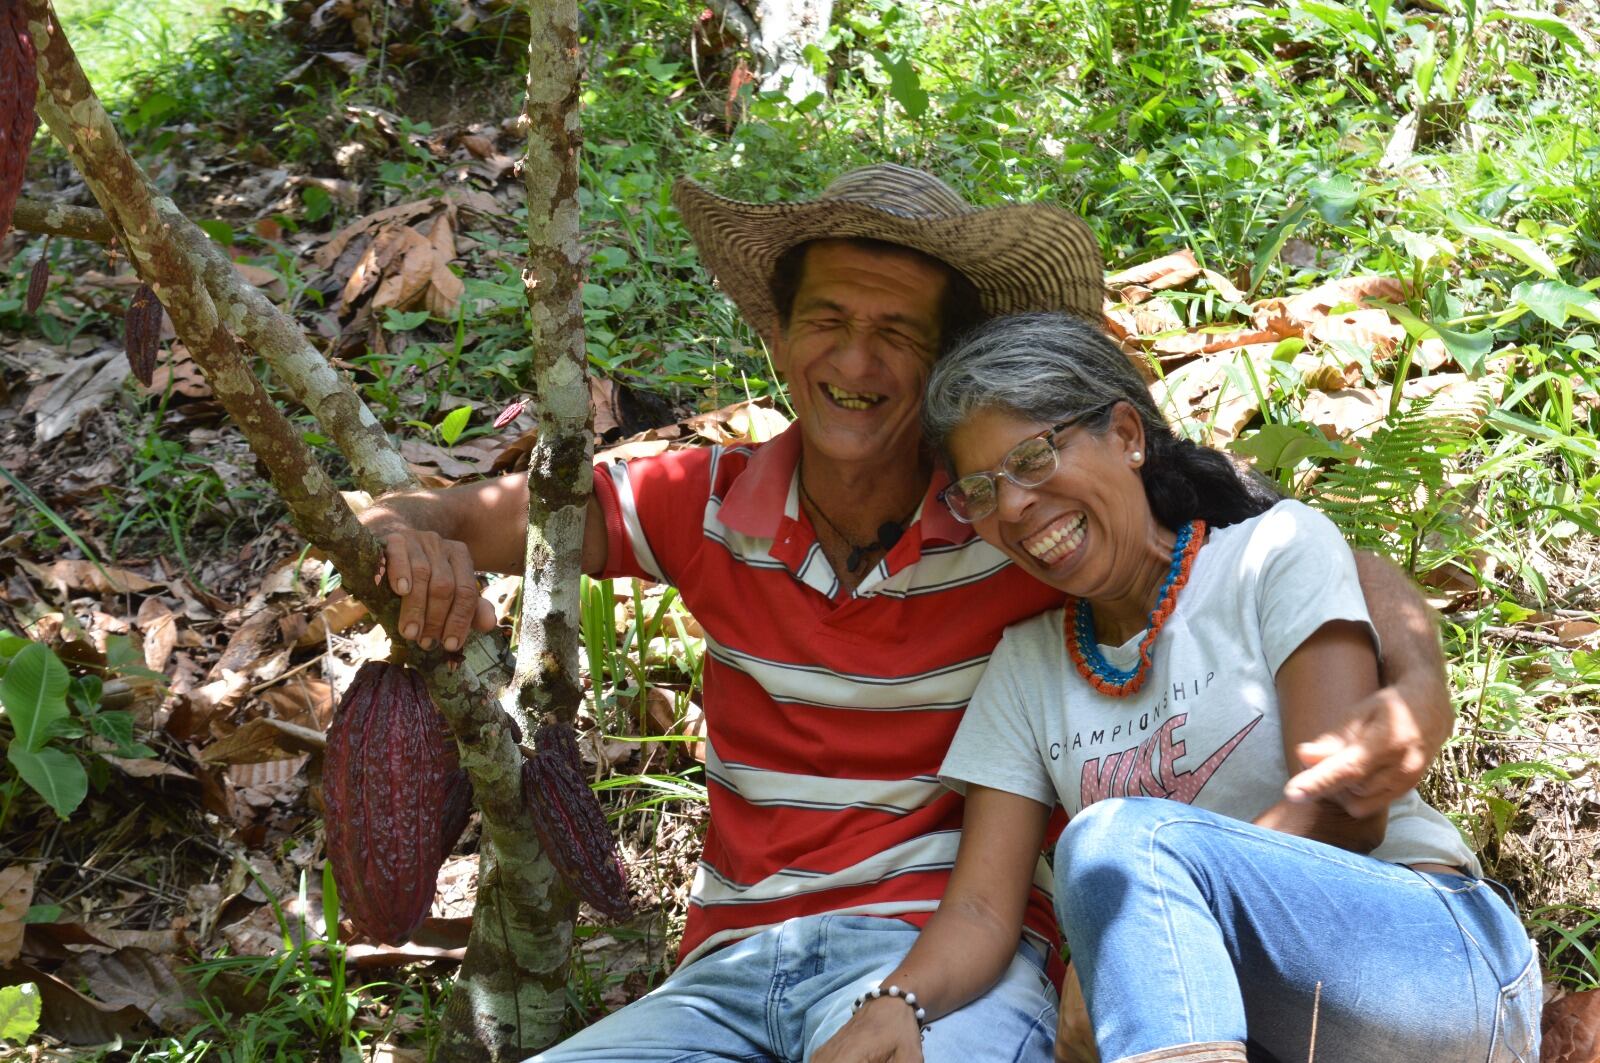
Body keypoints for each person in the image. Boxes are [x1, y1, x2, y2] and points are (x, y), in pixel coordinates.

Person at [358, 165, 1462, 1061]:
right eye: (827, 319)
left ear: (943, 366)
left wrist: (1416, 679)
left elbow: (1279, 547)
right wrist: (406, 540)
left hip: (940, 961)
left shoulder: (1010, 517)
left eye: (898, 330)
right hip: (728, 970)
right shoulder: (702, 504)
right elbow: (436, 512)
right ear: (778, 339)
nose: (856, 359)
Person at [813, 312, 1540, 1063]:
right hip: (1251, 1018)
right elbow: (979, 909)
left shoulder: (1272, 552)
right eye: (981, 489)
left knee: (1110, 843)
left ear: (1127, 435)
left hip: (1432, 959)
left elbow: (1344, 808)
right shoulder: (1026, 668)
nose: (1014, 504)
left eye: (1032, 457)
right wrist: (895, 1002)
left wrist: (1134, 921)